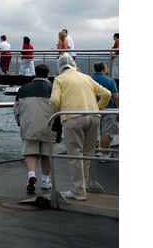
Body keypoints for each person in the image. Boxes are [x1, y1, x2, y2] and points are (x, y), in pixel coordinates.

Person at [50, 54, 111, 201]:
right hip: (94, 116)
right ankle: (81, 187)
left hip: (73, 117)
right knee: (87, 154)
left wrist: (56, 115)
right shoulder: (86, 77)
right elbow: (107, 94)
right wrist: (98, 108)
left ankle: (78, 191)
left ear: (60, 67)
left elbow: (53, 100)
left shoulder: (60, 79)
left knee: (75, 154)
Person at [14, 64, 55, 192]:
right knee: (47, 154)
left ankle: (31, 174)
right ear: (48, 75)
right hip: (49, 126)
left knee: (31, 152)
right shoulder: (53, 88)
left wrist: (20, 123)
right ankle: (44, 180)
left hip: (29, 125)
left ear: (35, 73)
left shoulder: (23, 89)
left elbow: (16, 109)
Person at [91, 62, 119, 162]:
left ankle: (99, 151)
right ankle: (103, 154)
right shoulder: (110, 81)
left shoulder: (89, 79)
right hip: (108, 109)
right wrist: (118, 109)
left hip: (92, 109)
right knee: (106, 132)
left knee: (99, 131)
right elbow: (115, 97)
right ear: (104, 69)